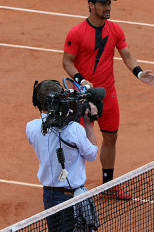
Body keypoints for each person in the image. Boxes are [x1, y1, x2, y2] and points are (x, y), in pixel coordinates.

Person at [63, 0, 154, 199]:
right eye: (103, 4)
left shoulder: (115, 29)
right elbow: (67, 62)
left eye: (109, 4)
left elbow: (126, 55)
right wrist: (81, 81)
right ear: (91, 5)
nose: (107, 8)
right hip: (81, 96)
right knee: (74, 141)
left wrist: (139, 72)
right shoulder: (76, 32)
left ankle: (108, 185)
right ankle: (69, 185)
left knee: (111, 137)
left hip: (108, 95)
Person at [27, 80, 98, 231]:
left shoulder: (31, 128)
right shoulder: (74, 129)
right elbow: (91, 154)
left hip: (48, 196)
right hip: (70, 198)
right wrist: (88, 124)